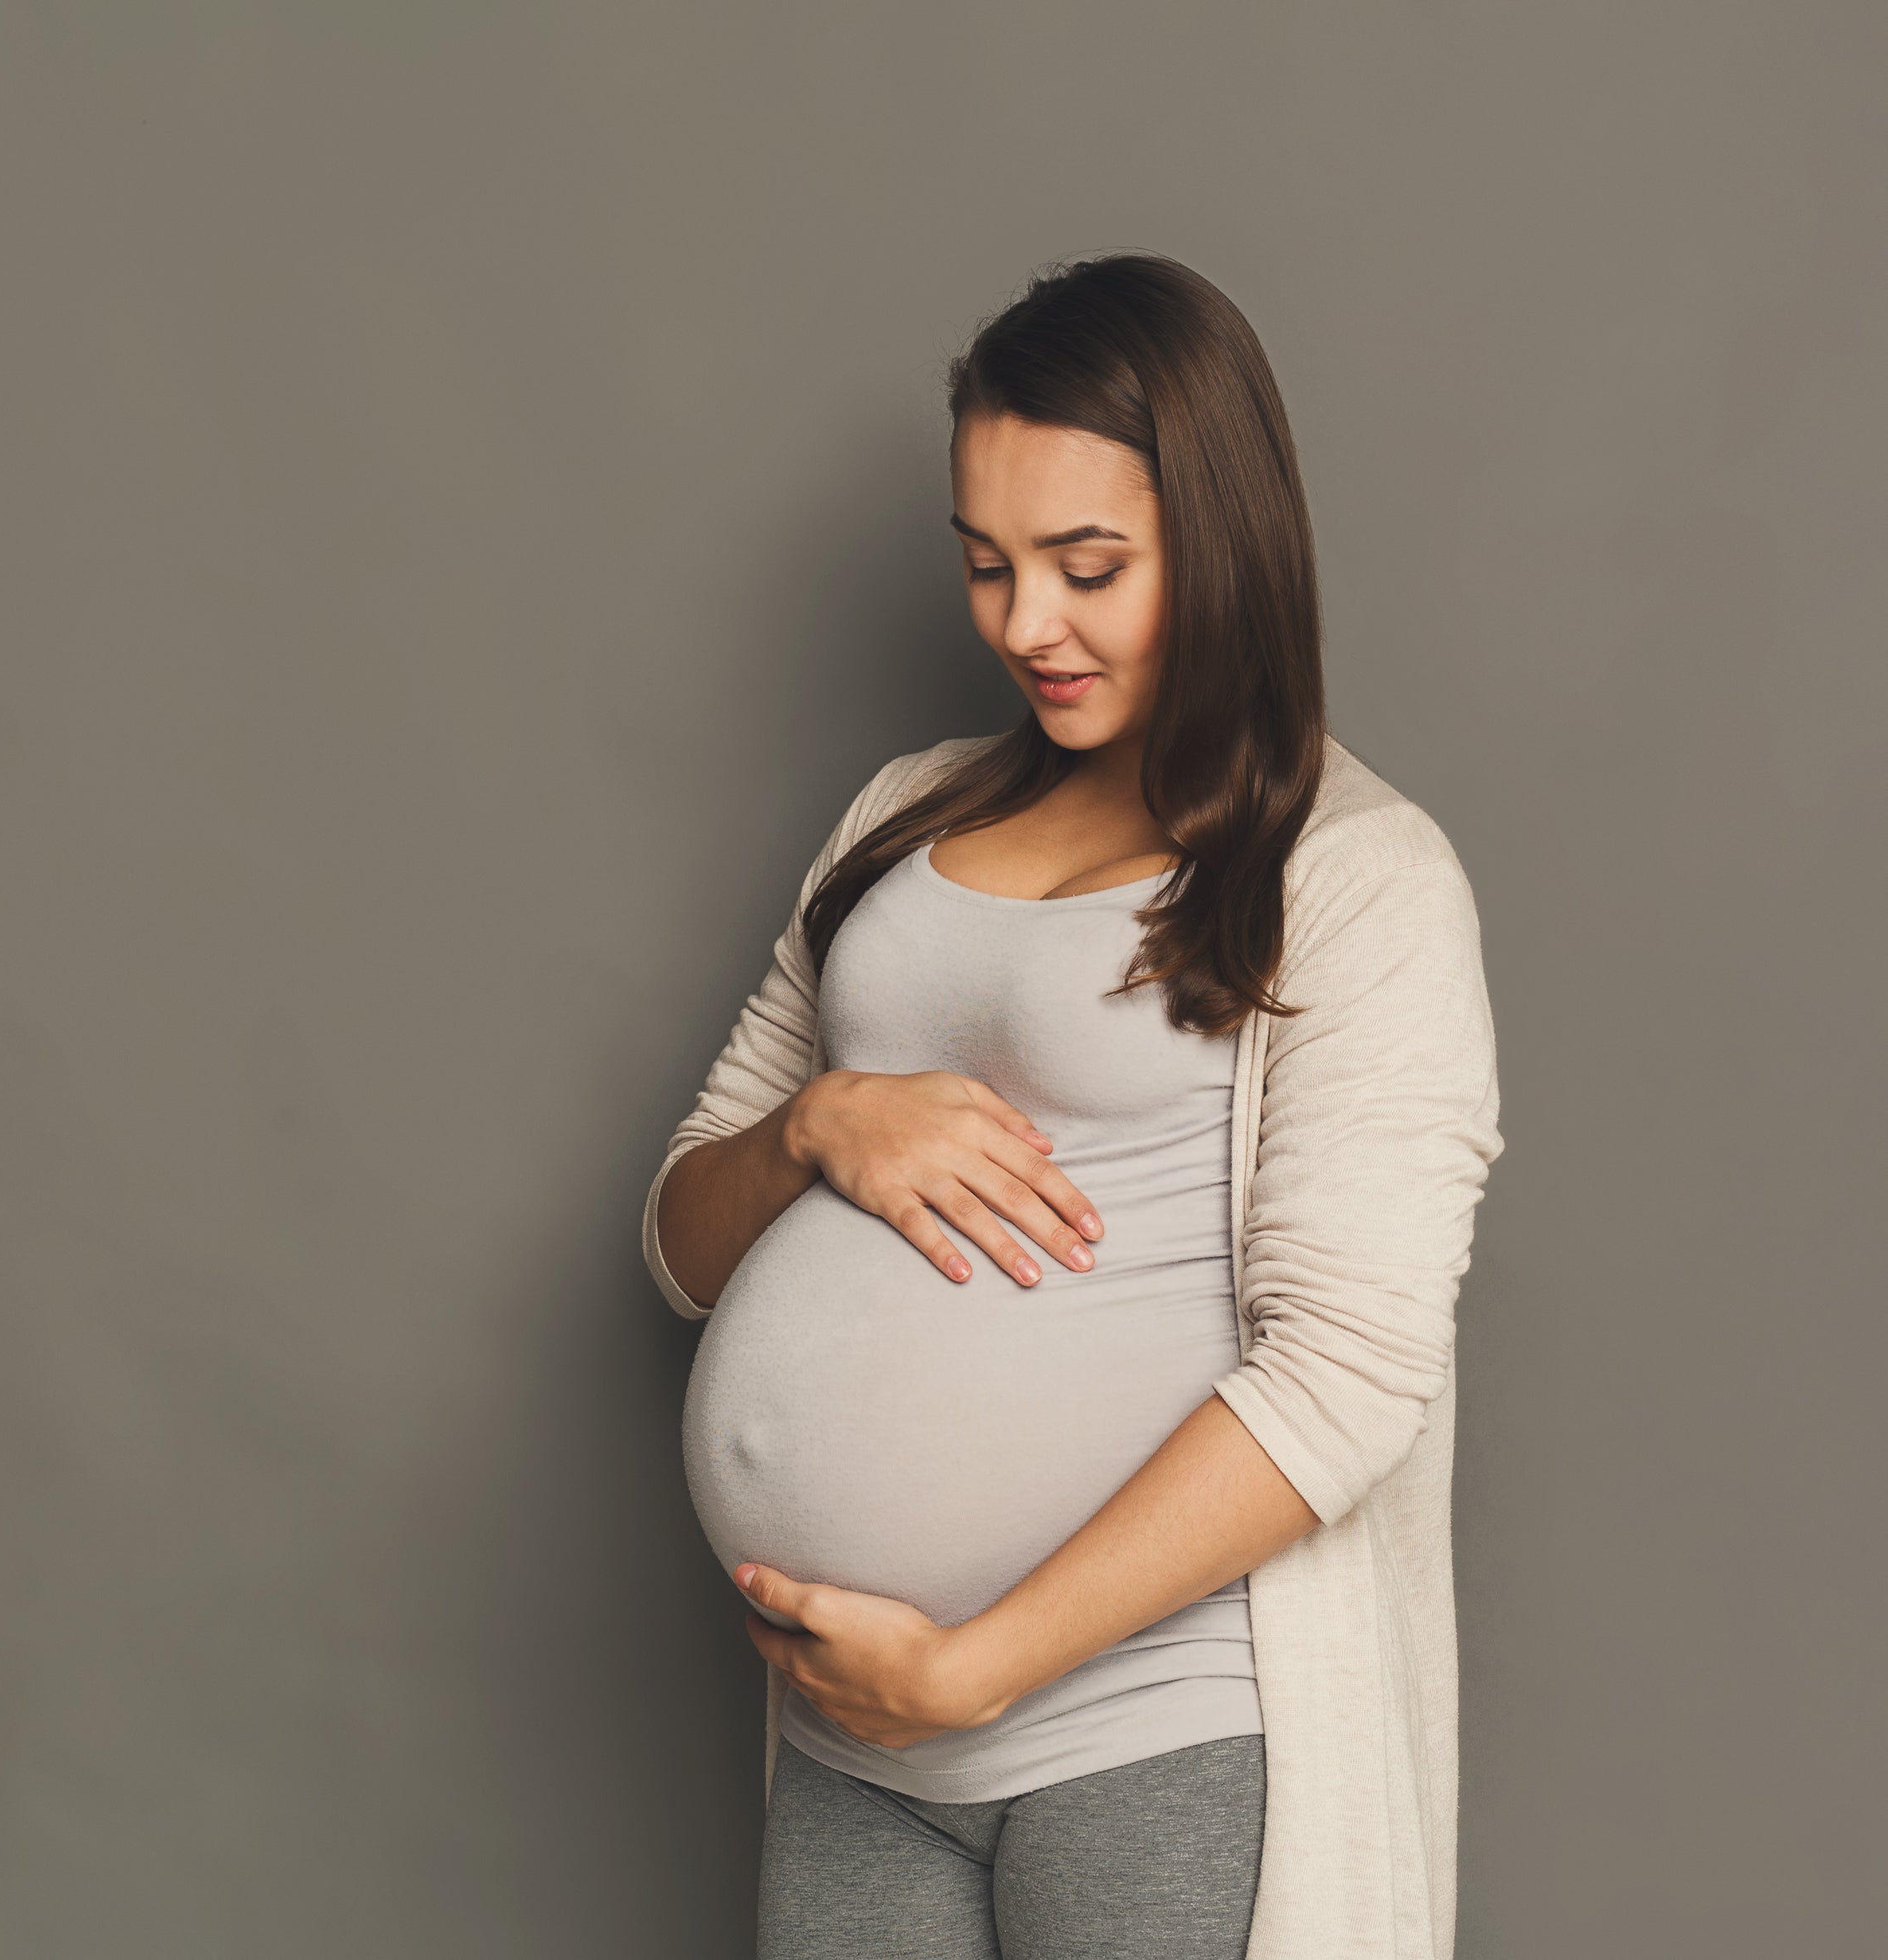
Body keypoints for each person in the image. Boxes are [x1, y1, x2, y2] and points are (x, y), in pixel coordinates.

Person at [642, 255, 1501, 1960]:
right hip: (851, 1743)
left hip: (1155, 1735)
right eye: (986, 565)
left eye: (1085, 567)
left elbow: (1344, 1381)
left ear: (1224, 542)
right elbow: (676, 1241)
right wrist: (819, 1127)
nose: (1026, 625)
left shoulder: (1352, 880)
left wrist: (973, 1669)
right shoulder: (896, 823)